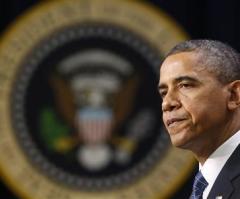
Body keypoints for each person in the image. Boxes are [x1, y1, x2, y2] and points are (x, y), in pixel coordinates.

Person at [158, 39, 240, 199]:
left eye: (185, 85)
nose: (167, 103)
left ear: (234, 95)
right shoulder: (206, 186)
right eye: (163, 92)